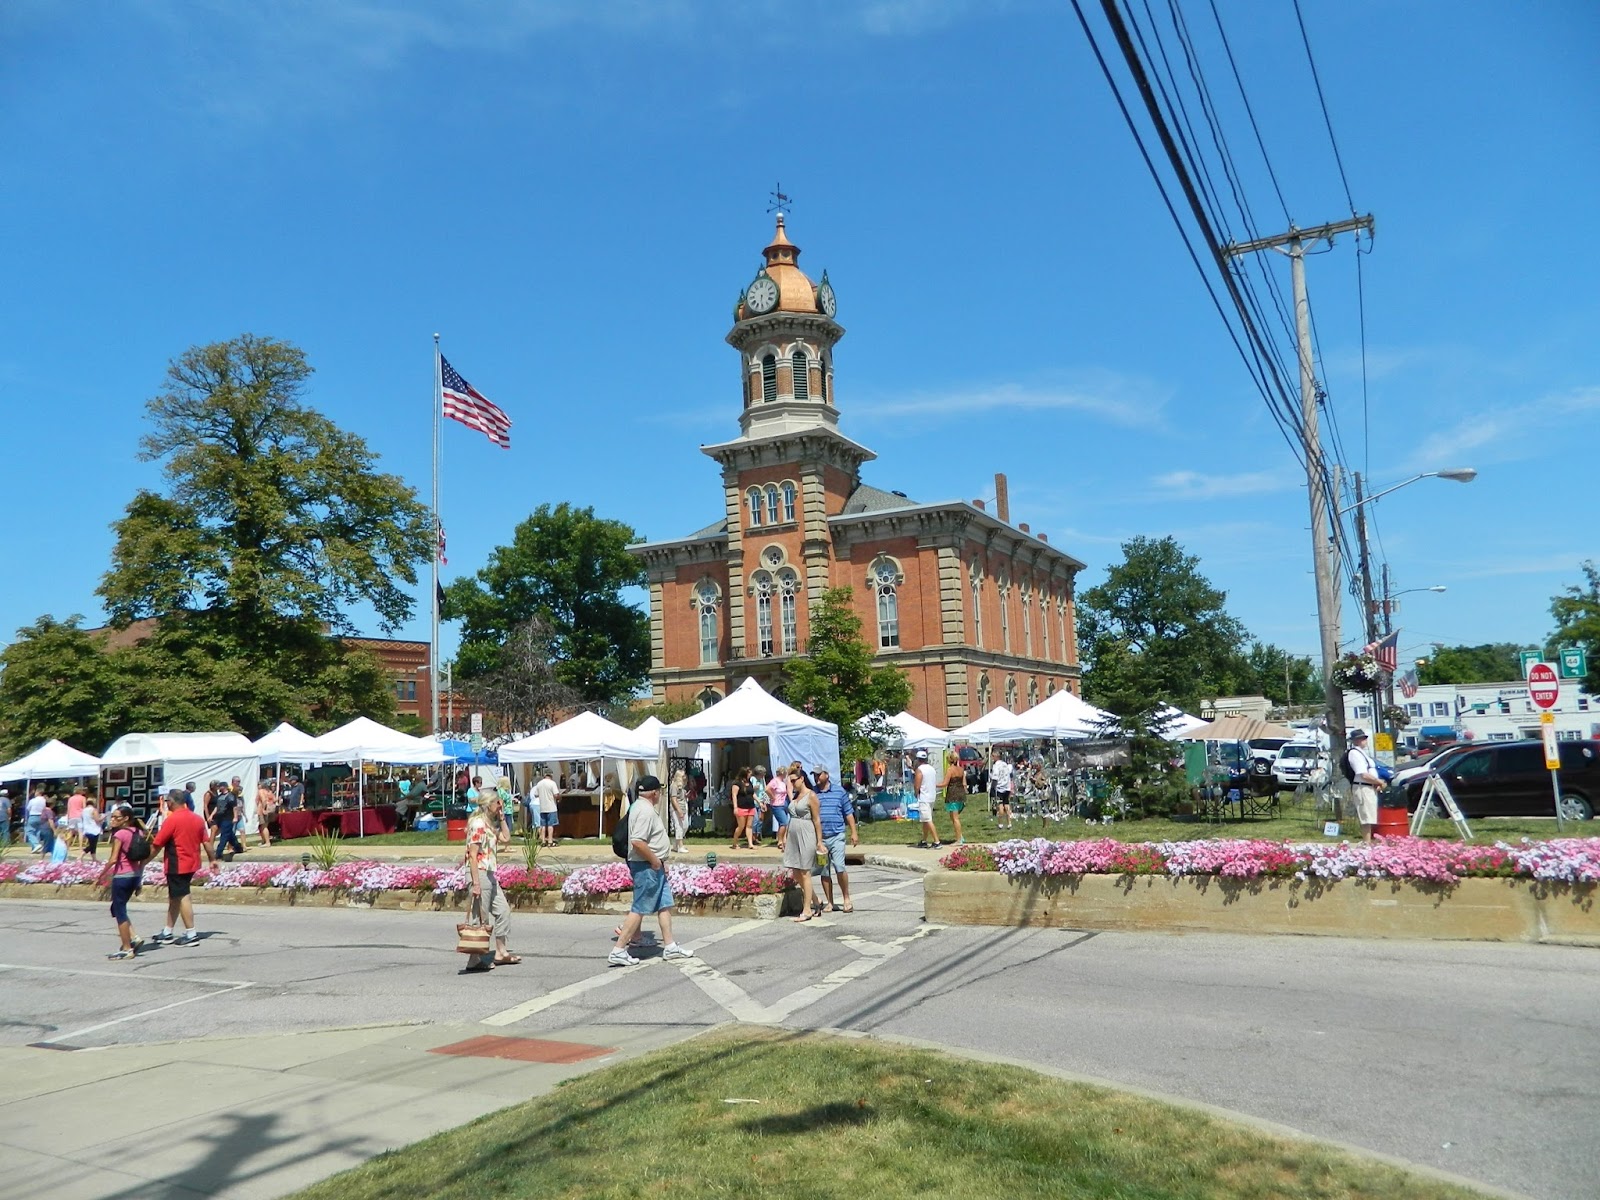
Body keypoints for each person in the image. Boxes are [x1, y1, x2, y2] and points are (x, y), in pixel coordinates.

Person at [609, 776, 694, 966]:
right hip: (646, 865)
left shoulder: (638, 807)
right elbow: (638, 841)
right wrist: (655, 861)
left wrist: (660, 860)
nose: (661, 794)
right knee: (640, 908)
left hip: (654, 864)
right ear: (655, 793)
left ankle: (670, 946)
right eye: (660, 791)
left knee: (664, 904)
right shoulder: (645, 811)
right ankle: (619, 949)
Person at [462, 790, 518, 972]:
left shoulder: (488, 824)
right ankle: (474, 959)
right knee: (481, 917)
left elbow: (506, 838)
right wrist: (476, 883)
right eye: (497, 803)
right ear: (488, 805)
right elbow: (472, 855)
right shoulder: (478, 824)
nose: (499, 805)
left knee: (503, 911)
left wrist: (502, 818)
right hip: (479, 873)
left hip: (489, 873)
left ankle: (501, 952)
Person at [152, 788, 215, 948]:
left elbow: (157, 844)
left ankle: (191, 933)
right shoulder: (197, 819)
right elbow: (206, 842)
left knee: (182, 896)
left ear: (171, 802)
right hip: (192, 863)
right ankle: (168, 931)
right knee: (175, 896)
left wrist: (144, 861)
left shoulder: (172, 820)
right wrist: (213, 859)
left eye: (167, 802)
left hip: (177, 863)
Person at [99, 806, 148, 960]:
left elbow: (114, 859)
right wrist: (139, 880)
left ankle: (127, 948)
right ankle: (134, 937)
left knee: (120, 912)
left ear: (126, 819)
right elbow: (141, 859)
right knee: (116, 907)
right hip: (134, 875)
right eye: (112, 817)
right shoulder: (138, 832)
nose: (112, 820)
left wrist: (100, 875)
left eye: (116, 817)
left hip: (122, 876)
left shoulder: (120, 834)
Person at [811, 765, 858, 914]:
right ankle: (829, 901)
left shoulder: (839, 792)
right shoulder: (813, 793)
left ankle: (846, 898)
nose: (816, 778)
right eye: (815, 775)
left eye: (819, 775)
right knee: (824, 871)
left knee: (839, 866)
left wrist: (854, 832)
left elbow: (848, 813)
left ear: (827, 775)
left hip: (837, 835)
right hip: (820, 839)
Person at [781, 765, 825, 922]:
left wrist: (819, 841)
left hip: (806, 833)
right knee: (795, 870)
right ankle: (815, 900)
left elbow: (817, 820)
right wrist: (785, 837)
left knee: (805, 871)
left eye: (794, 780)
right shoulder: (795, 796)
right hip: (793, 832)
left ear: (802, 779)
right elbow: (789, 818)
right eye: (790, 781)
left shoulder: (811, 796)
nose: (792, 784)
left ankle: (807, 910)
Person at [1345, 729, 1382, 843]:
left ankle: (1369, 841)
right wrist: (1379, 782)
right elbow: (1363, 774)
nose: (1365, 741)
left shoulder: (1362, 753)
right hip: (1362, 786)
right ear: (1357, 740)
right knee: (1366, 816)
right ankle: (1366, 842)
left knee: (1370, 815)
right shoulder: (1354, 753)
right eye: (1363, 738)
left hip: (1368, 786)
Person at [206, 781, 244, 860]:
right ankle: (238, 848)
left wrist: (235, 817)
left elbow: (234, 807)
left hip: (228, 818)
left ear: (224, 787)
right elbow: (217, 807)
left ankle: (218, 853)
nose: (219, 788)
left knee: (224, 835)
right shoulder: (219, 797)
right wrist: (211, 815)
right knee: (230, 835)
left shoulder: (230, 796)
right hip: (220, 818)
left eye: (220, 786)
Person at [913, 750, 941, 849]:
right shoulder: (931, 769)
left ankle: (937, 841)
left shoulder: (919, 770)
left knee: (928, 819)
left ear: (918, 760)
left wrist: (916, 793)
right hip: (932, 796)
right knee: (926, 819)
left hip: (924, 797)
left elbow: (917, 785)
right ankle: (924, 840)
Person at [730, 766, 758, 850]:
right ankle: (735, 842)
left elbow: (752, 793)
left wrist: (759, 802)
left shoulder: (749, 782)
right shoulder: (737, 783)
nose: (750, 775)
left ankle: (750, 843)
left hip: (751, 807)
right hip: (741, 807)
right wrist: (735, 807)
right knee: (741, 826)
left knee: (749, 826)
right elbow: (734, 795)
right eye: (749, 773)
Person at [765, 765, 791, 852]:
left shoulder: (782, 782)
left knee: (783, 824)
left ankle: (784, 840)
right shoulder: (775, 781)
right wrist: (772, 797)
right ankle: (779, 841)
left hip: (784, 803)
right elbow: (767, 789)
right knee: (784, 823)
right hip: (777, 805)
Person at [532, 767, 560, 847]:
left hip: (542, 807)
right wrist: (558, 797)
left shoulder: (539, 783)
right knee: (551, 825)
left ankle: (543, 840)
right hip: (551, 806)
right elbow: (556, 794)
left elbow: (536, 794)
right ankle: (550, 841)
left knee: (543, 825)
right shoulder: (552, 783)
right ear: (551, 775)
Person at [989, 752, 1014, 830]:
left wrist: (992, 788)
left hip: (1000, 787)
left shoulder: (996, 766)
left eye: (992, 756)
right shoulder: (1005, 764)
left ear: (995, 757)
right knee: (1007, 804)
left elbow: (995, 778)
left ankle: (1000, 824)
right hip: (1007, 787)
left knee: (1000, 806)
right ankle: (1009, 823)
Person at [668, 766, 689, 854]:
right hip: (676, 809)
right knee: (679, 826)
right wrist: (679, 810)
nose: (685, 777)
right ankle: (680, 846)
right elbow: (673, 799)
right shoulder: (674, 786)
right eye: (683, 775)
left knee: (685, 826)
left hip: (683, 807)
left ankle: (676, 844)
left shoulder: (682, 786)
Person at [24, 787, 50, 853]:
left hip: (33, 815)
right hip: (41, 816)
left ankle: (36, 844)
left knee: (29, 831)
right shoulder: (43, 800)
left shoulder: (33, 800)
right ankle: (36, 848)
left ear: (37, 792)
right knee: (37, 831)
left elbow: (28, 808)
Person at [254, 779, 277, 848]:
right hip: (271, 810)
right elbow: (275, 800)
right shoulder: (269, 791)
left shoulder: (261, 791)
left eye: (259, 784)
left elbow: (263, 800)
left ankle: (267, 842)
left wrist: (263, 809)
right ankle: (264, 840)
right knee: (263, 826)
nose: (258, 786)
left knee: (264, 827)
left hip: (262, 810)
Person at [65, 785, 87, 850]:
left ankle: (67, 846)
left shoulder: (70, 798)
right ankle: (80, 847)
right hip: (80, 816)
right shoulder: (83, 798)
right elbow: (84, 808)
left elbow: (68, 808)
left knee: (70, 832)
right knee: (80, 832)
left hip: (71, 816)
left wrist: (68, 817)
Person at [0, 788, 11, 852]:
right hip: (4, 816)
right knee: (5, 831)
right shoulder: (6, 800)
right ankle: (6, 844)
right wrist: (9, 816)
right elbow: (9, 809)